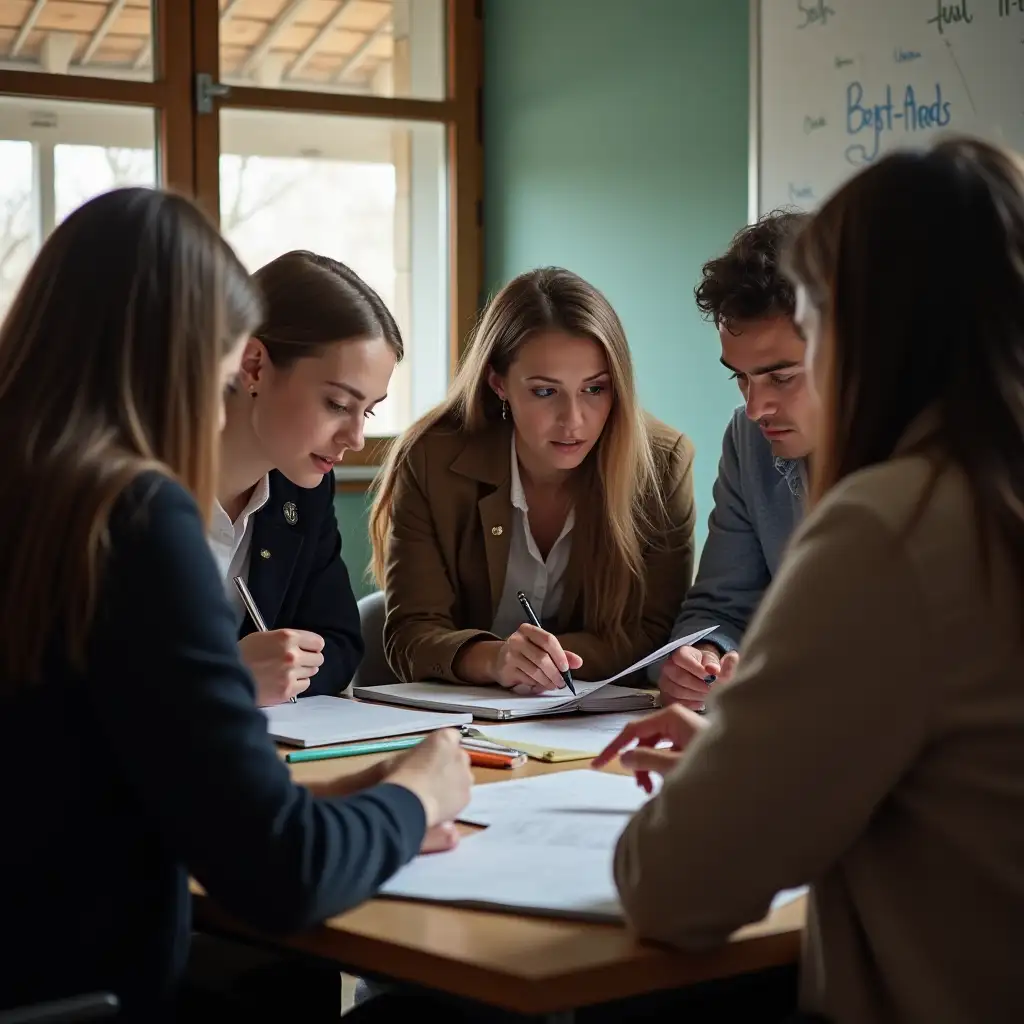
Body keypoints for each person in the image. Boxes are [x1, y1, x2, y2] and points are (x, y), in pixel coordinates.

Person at [0, 187, 473, 1022]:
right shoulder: (139, 517)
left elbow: (97, 774)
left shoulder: (38, 492)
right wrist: (419, 796)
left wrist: (336, 798)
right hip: (89, 992)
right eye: (221, 375)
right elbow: (281, 875)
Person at [601, 137, 1024, 1023]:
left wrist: (740, 757)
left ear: (864, 327)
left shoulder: (891, 525)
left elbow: (675, 887)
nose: (762, 405)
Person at [368, 267, 696, 691]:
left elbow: (655, 633)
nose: (573, 421)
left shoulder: (663, 463)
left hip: (592, 724)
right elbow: (411, 633)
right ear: (499, 383)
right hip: (463, 716)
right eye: (545, 391)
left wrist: (548, 660)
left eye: (595, 389)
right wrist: (494, 659)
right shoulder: (433, 458)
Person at [217, 250, 401, 705]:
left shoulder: (303, 490)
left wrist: (279, 672)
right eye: (338, 404)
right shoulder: (128, 486)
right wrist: (225, 676)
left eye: (369, 411)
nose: (356, 438)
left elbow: (339, 643)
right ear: (254, 365)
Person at [651, 211, 810, 709]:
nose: (755, 407)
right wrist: (703, 653)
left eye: (781, 377)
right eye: (739, 377)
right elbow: (722, 605)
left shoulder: (942, 456)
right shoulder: (748, 440)